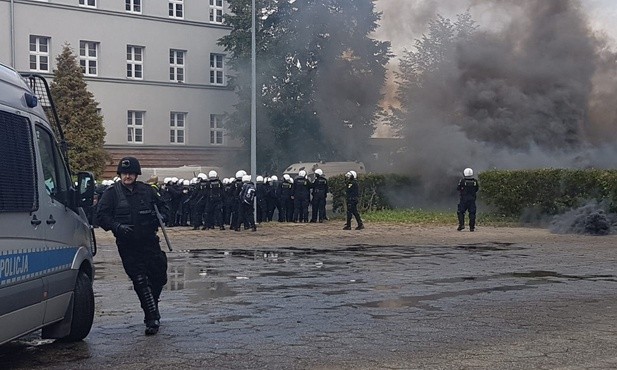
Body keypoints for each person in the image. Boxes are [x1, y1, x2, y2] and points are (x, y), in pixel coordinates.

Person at [96, 157, 169, 335]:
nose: (127, 176)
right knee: (140, 280)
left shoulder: (147, 191)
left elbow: (165, 207)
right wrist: (117, 227)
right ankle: (151, 317)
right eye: (124, 173)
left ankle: (153, 303)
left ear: (136, 174)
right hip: (128, 244)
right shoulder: (112, 193)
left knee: (159, 277)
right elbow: (101, 215)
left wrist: (161, 217)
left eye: (130, 173)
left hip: (149, 242)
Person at [457, 167, 479, 231]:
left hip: (464, 200)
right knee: (472, 213)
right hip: (472, 200)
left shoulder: (462, 181)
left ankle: (461, 225)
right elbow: (477, 189)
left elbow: (458, 188)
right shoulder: (475, 181)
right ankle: (472, 227)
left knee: (460, 212)